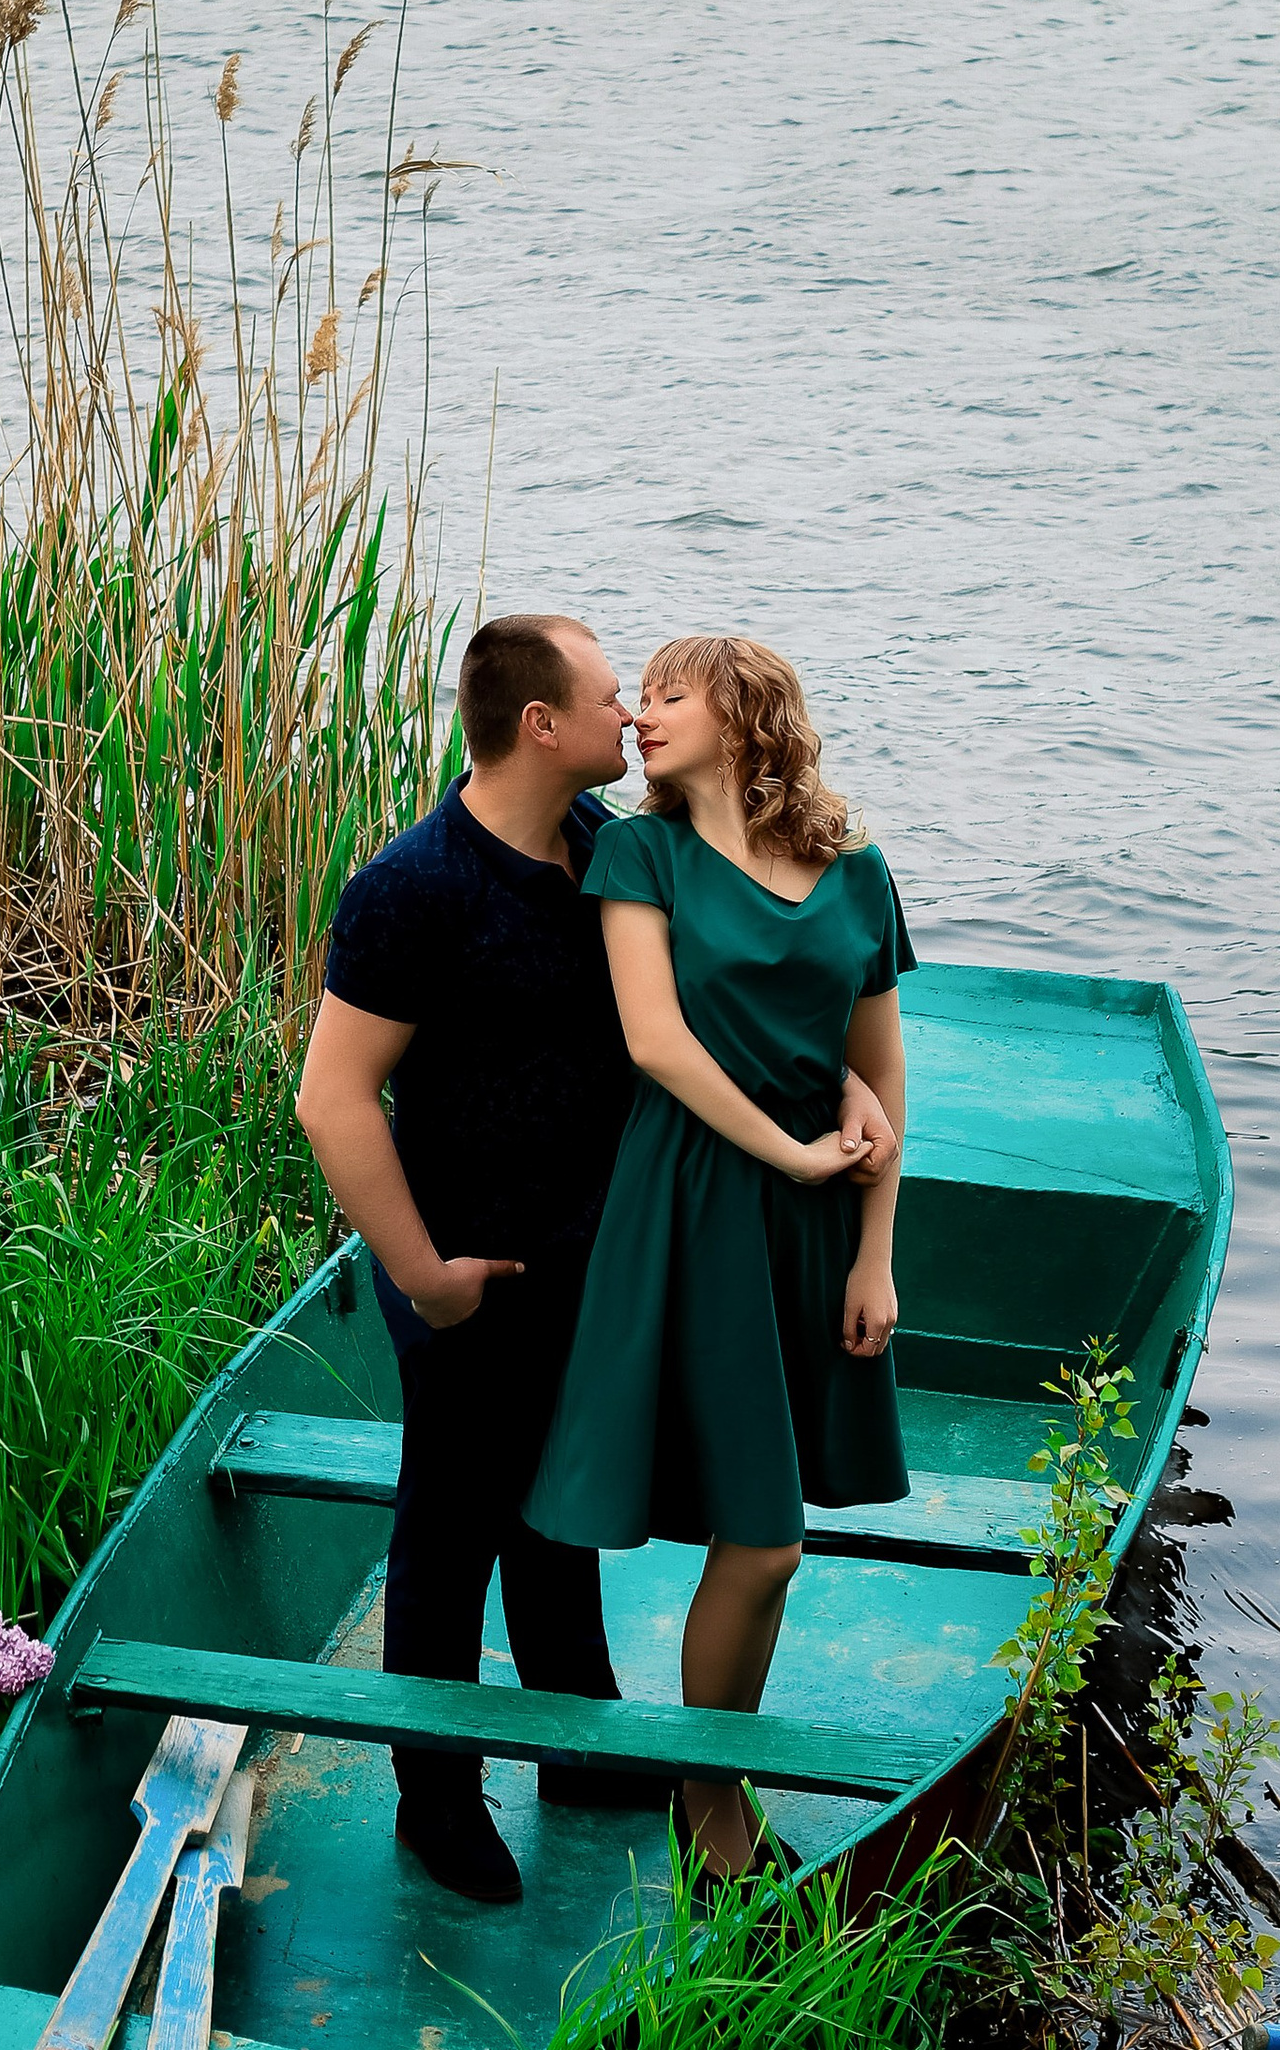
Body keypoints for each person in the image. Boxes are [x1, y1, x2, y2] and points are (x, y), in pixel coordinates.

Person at [297, 612, 896, 1908]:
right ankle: (437, 1800)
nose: (630, 717)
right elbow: (333, 1101)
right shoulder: (412, 887)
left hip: (603, 1258)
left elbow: (746, 991)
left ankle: (576, 1744)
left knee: (560, 1504)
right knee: (451, 1531)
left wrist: (845, 1094)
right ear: (540, 725)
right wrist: (421, 1273)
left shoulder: (607, 854)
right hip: (461, 1264)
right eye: (611, 698)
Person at [524, 634, 912, 1888]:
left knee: (768, 1538)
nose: (636, 714)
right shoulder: (641, 854)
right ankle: (708, 1792)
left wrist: (873, 1253)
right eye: (632, 695)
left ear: (746, 717)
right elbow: (655, 1044)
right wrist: (790, 1156)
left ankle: (713, 1776)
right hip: (695, 1199)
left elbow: (882, 1071)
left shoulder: (854, 873)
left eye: (668, 695)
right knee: (764, 1540)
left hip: (811, 1216)